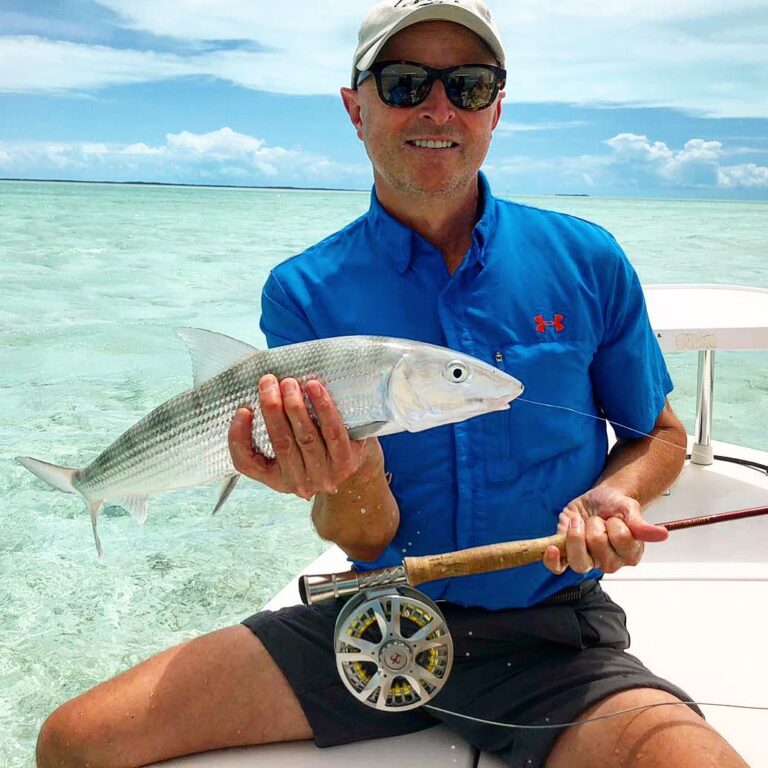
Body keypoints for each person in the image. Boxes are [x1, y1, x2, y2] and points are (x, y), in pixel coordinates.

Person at [36, 1, 748, 767]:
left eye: (469, 85)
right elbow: (359, 535)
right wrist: (354, 477)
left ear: (497, 108)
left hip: (554, 634)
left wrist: (617, 495)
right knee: (74, 742)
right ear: (356, 107)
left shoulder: (588, 258)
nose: (438, 108)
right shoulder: (304, 291)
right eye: (406, 82)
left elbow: (661, 436)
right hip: (368, 621)